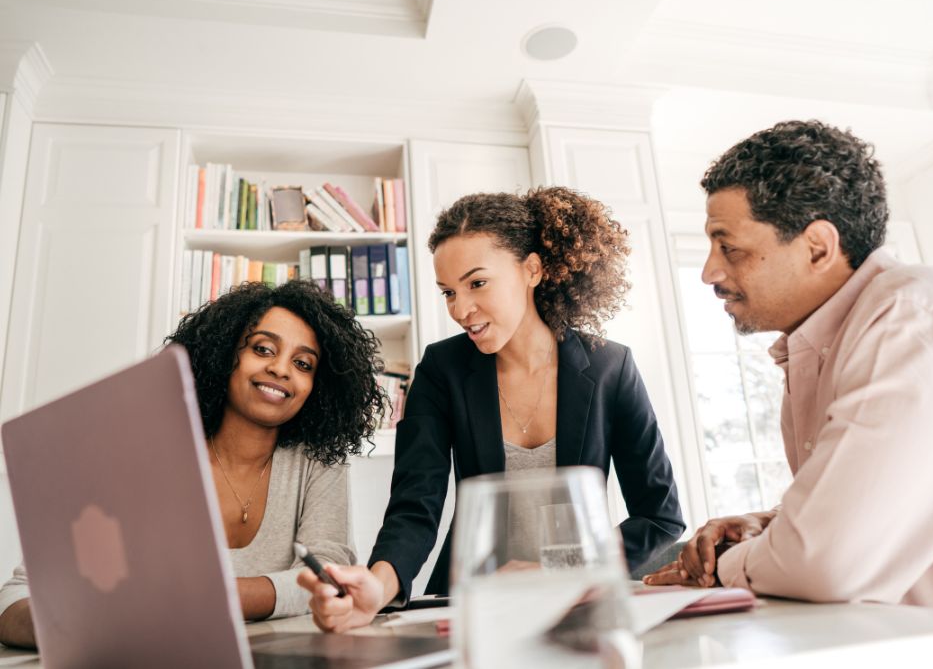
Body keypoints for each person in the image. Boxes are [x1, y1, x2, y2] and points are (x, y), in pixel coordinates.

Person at [643, 120, 933, 612]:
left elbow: (825, 561)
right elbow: (882, 502)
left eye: (729, 247)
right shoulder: (821, 341)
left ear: (818, 247)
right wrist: (775, 522)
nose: (710, 272)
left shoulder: (911, 318)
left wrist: (729, 563)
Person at [299, 186, 686, 632]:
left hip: (579, 604)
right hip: (472, 606)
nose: (461, 309)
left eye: (477, 283)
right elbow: (415, 506)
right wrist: (378, 586)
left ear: (532, 270)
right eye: (448, 292)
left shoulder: (608, 367)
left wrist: (563, 570)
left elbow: (660, 514)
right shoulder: (441, 370)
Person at [0, 280, 384, 648]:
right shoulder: (143, 455)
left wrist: (203, 601)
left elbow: (327, 575)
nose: (281, 369)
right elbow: (18, 595)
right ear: (223, 354)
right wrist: (78, 625)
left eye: (303, 364)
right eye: (263, 349)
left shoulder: (318, 461)